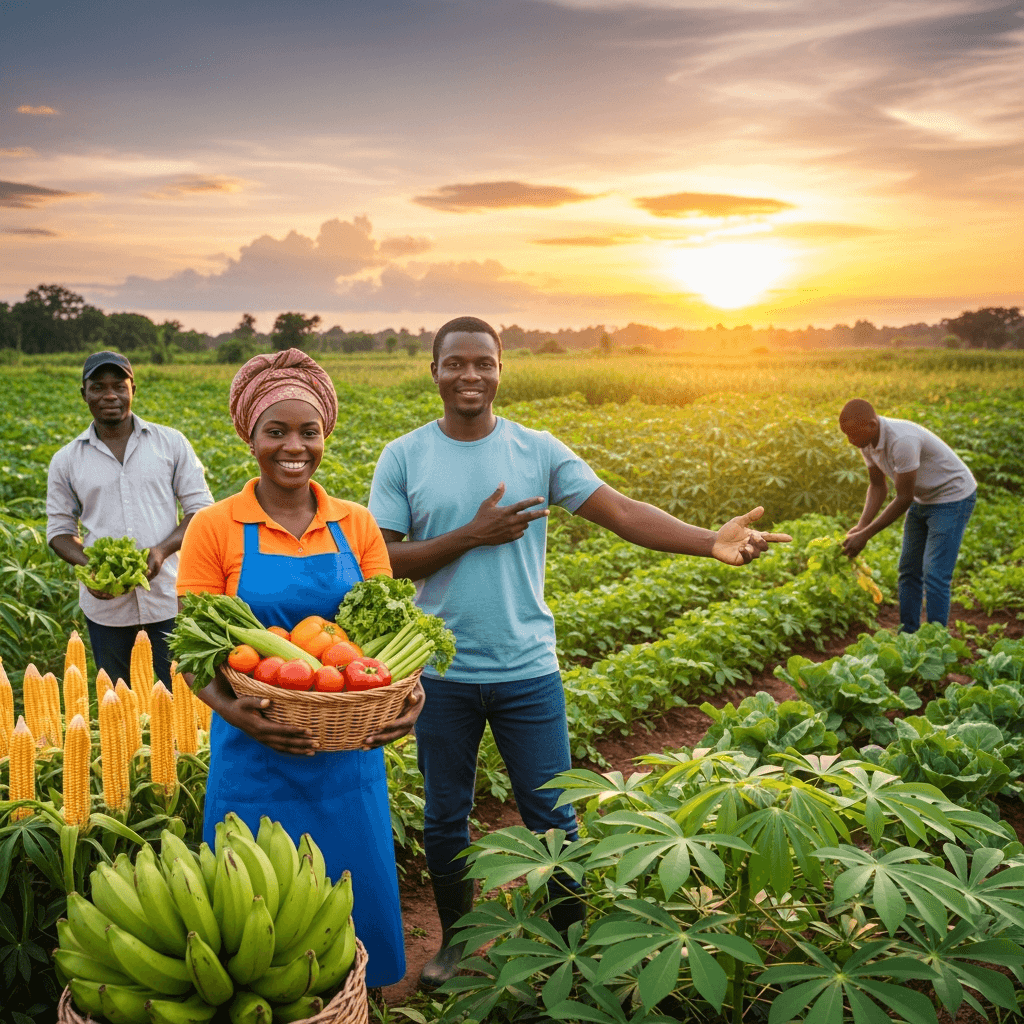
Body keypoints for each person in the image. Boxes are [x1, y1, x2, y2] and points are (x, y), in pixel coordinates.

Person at [368, 315, 791, 988]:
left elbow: (620, 511)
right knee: (445, 818)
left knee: (552, 816)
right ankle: (453, 945)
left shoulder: (536, 450)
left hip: (528, 671)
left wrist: (708, 539)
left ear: (502, 368)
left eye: (484, 362)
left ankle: (565, 946)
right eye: (456, 363)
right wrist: (472, 535)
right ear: (435, 372)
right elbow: (382, 559)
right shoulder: (404, 456)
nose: (470, 375)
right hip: (441, 675)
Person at [176, 348, 421, 989]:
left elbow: (388, 638)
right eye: (275, 431)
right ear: (250, 436)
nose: (294, 446)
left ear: (325, 435)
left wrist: (405, 701)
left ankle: (354, 1001)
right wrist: (242, 719)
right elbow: (193, 653)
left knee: (349, 898)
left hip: (346, 748)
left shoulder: (357, 524)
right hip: (251, 751)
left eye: (308, 431)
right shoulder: (213, 526)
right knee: (254, 919)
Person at [47, 351, 213, 687]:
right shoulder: (66, 459)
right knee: (118, 701)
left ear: (132, 389)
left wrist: (162, 550)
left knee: (182, 692)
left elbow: (201, 510)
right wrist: (91, 566)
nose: (109, 395)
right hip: (106, 609)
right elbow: (59, 531)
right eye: (98, 387)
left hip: (167, 597)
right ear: (84, 393)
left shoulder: (171, 443)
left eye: (118, 386)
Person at [838, 398, 977, 635]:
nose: (851, 442)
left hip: (952, 497)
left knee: (935, 573)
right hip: (923, 498)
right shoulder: (866, 441)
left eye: (853, 435)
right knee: (908, 570)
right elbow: (877, 486)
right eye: (847, 436)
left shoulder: (902, 441)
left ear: (872, 424)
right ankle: (909, 635)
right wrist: (861, 526)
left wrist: (866, 535)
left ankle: (936, 642)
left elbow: (903, 498)